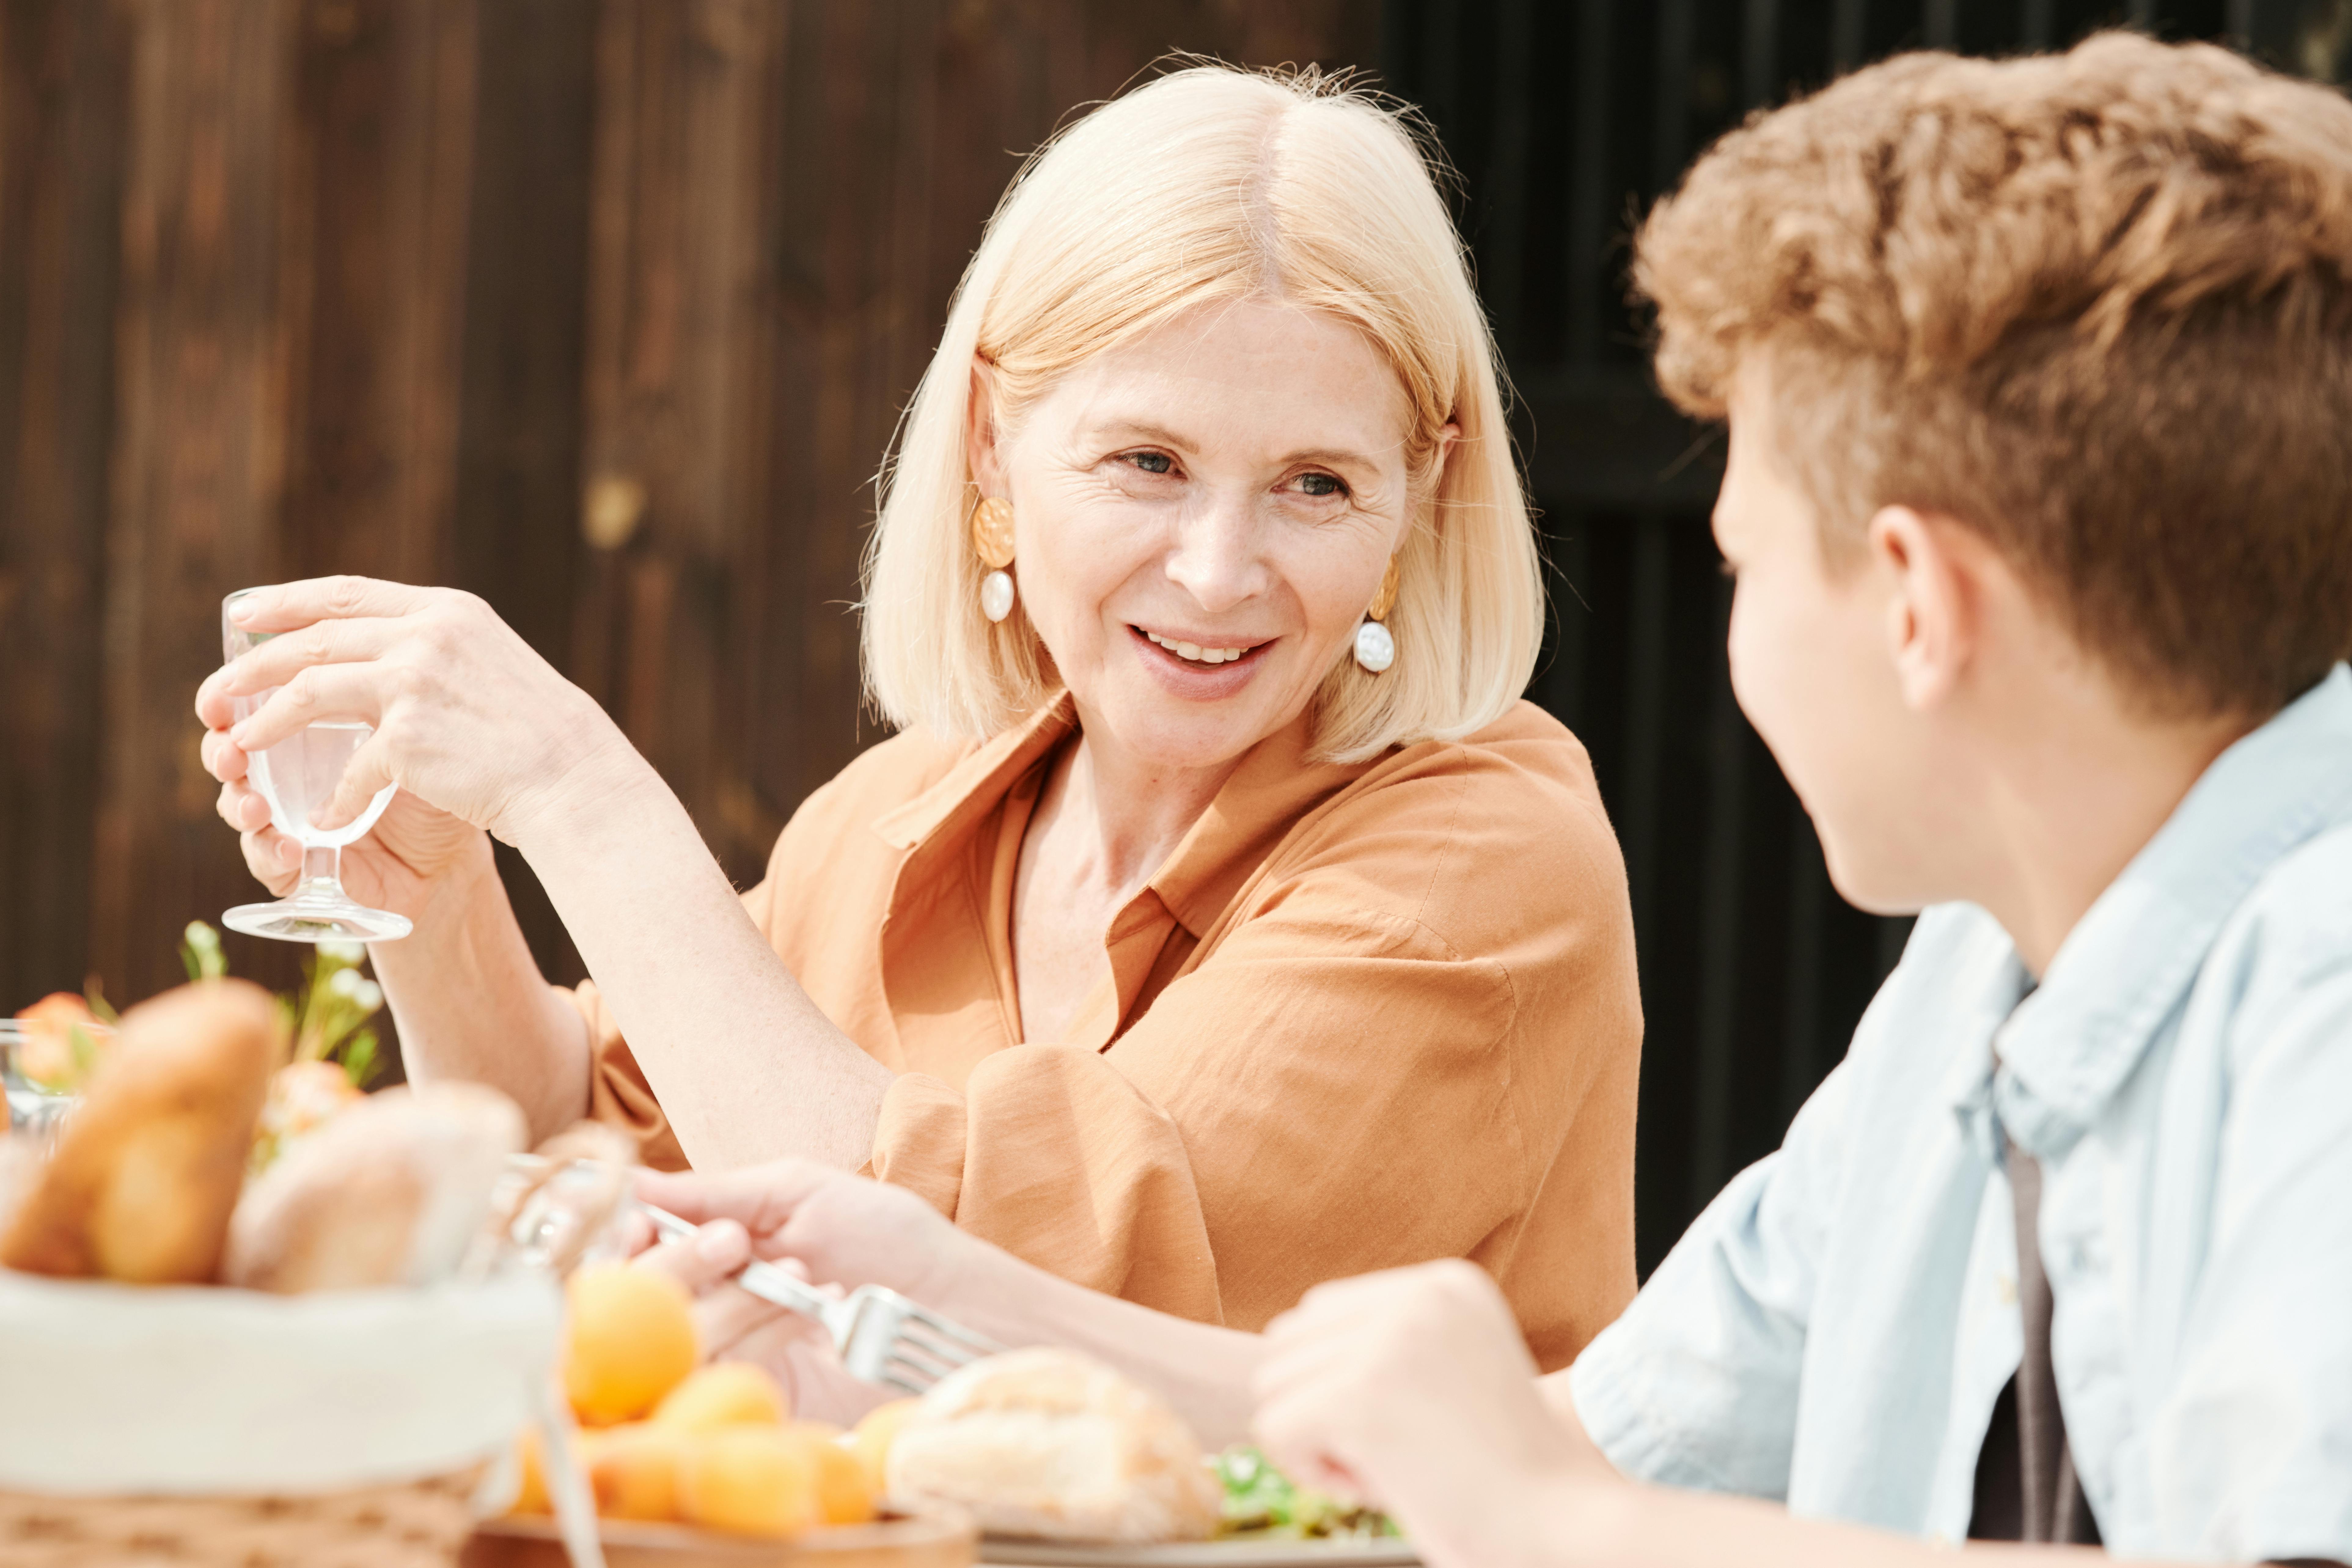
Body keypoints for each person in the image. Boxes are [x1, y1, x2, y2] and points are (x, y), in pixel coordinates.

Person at [626, 32, 2352, 1567]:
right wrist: (936, 1288)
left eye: (1738, 556)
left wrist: (1570, 1525)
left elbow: (1569, 1502)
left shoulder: (2323, 997)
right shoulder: (1974, 987)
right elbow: (1570, 1445)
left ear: (1916, 603)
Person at [192, 65, 1643, 1364]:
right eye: (1147, 460)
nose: (1216, 572)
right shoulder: (914, 804)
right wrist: (436, 895)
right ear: (994, 450)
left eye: (1315, 484)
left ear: (1418, 495)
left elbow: (980, 1300)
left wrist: (580, 790)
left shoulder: (1485, 859)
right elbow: (593, 1144)